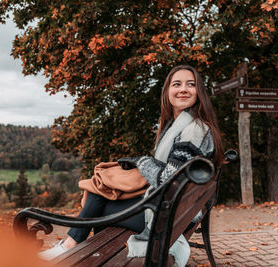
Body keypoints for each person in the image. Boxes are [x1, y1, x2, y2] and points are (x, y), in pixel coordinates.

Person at [38, 65, 224, 265]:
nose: (183, 89)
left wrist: (141, 161)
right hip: (175, 210)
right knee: (100, 192)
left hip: (166, 216)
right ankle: (76, 247)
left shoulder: (193, 130)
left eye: (191, 84)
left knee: (98, 196)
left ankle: (70, 247)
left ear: (199, 92)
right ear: (167, 92)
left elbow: (167, 180)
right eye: (176, 84)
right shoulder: (185, 125)